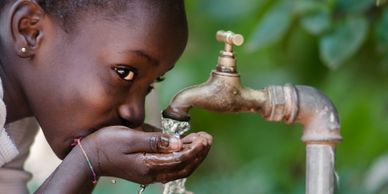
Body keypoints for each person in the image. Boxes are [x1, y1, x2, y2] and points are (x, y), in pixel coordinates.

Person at [0, 0, 213, 193]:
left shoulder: (14, 126)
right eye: (124, 72)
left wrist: (91, 161)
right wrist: (90, 159)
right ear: (29, 30)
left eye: (150, 85)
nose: (136, 113)